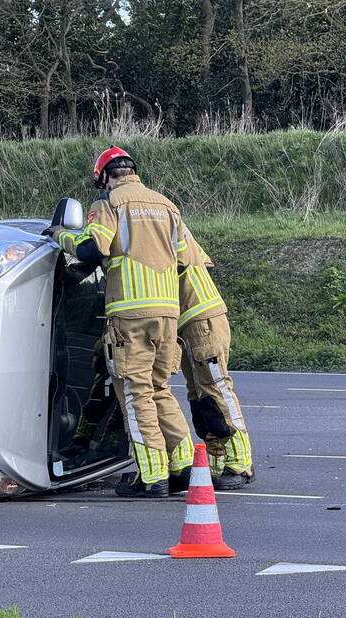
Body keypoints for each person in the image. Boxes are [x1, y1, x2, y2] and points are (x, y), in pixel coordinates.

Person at [52, 146, 193, 498]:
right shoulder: (167, 205)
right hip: (168, 314)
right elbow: (185, 260)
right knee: (160, 389)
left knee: (135, 393)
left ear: (103, 176)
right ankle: (184, 467)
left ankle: (153, 476)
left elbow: (90, 249)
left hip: (130, 315)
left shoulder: (110, 203)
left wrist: (59, 235)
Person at [175, 229, 254, 489]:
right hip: (192, 321)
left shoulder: (153, 228)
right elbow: (204, 265)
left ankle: (240, 464)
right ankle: (217, 461)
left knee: (216, 389)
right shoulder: (172, 226)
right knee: (200, 395)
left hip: (202, 320)